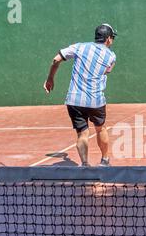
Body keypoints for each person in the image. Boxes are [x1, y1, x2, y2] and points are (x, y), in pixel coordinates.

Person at [43, 23, 117, 167]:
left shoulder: (79, 47)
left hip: (74, 100)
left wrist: (50, 78)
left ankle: (84, 164)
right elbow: (108, 70)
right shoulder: (111, 56)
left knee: (82, 133)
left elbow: (56, 59)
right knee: (101, 128)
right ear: (108, 39)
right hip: (96, 100)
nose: (112, 40)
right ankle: (105, 161)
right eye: (112, 37)